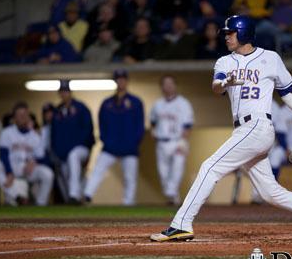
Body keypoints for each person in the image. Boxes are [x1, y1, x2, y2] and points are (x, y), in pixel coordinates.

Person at [150, 15, 292, 242]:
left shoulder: (270, 58)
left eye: (230, 33)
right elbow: (216, 87)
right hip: (243, 129)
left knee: (209, 167)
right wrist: (225, 83)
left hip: (258, 125)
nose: (227, 37)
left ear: (243, 33)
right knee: (270, 193)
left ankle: (181, 223)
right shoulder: (224, 62)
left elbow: (288, 94)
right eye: (226, 33)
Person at [84, 69, 144, 206]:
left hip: (130, 148)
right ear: (115, 81)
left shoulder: (136, 102)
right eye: (118, 79)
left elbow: (140, 125)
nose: (121, 81)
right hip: (110, 147)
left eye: (123, 79)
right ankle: (87, 196)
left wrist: (134, 142)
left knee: (130, 178)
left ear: (127, 81)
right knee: (97, 170)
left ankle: (128, 203)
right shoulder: (107, 103)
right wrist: (106, 140)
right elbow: (101, 123)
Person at [0, 102, 53, 206]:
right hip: (12, 166)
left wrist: (34, 162)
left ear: (28, 116)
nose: (23, 117)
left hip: (28, 168)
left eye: (25, 114)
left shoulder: (35, 136)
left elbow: (44, 158)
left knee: (47, 173)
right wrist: (9, 172)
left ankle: (41, 203)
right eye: (19, 115)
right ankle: (17, 196)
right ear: (14, 118)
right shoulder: (7, 132)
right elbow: (3, 154)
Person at [150, 75, 194, 205]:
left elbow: (188, 125)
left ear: (175, 85)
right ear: (161, 87)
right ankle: (173, 198)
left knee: (177, 169)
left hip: (177, 141)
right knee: (163, 174)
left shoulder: (183, 103)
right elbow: (152, 122)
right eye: (165, 84)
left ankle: (171, 193)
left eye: (170, 83)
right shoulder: (157, 104)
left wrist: (182, 141)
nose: (168, 86)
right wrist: (154, 131)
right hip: (162, 142)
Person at [51, 80, 95, 204]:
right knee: (68, 177)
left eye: (66, 91)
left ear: (70, 92)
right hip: (62, 154)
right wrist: (57, 153)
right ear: (59, 93)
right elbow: (53, 135)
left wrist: (90, 153)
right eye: (62, 91)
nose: (64, 94)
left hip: (81, 149)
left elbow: (89, 131)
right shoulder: (57, 111)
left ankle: (74, 195)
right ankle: (75, 200)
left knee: (73, 156)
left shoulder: (81, 108)